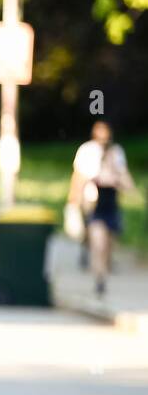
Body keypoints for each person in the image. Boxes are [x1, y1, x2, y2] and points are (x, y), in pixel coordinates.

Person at [70, 121, 135, 297]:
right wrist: (73, 202)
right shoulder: (87, 153)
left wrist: (123, 183)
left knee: (107, 246)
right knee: (97, 242)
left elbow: (127, 180)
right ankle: (98, 278)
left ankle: (101, 269)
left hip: (111, 209)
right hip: (93, 205)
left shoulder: (116, 155)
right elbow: (79, 179)